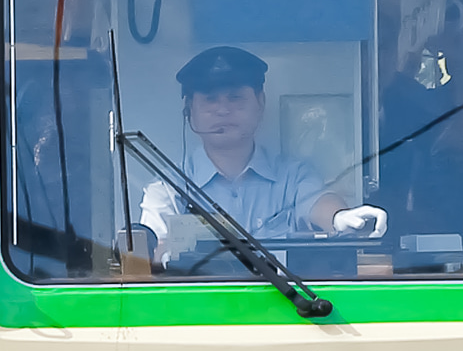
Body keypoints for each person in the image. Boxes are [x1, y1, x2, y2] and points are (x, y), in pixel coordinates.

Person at [140, 45, 386, 253]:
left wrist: (340, 218)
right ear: (189, 110)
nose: (223, 110)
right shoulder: (167, 187)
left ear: (260, 103)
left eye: (235, 97)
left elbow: (319, 202)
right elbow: (149, 253)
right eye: (210, 99)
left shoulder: (293, 177)